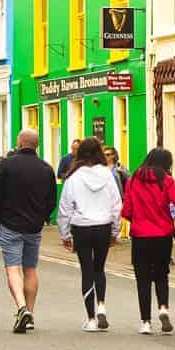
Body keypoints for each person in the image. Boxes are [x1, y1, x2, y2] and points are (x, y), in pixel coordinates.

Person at [0, 128, 57, 333]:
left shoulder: (7, 165)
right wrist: (42, 217)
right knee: (30, 269)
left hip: (10, 224)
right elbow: (51, 199)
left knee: (13, 269)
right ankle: (30, 313)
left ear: (19, 143)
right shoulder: (46, 168)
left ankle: (21, 308)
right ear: (37, 145)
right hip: (33, 226)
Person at [123, 148, 175, 334]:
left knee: (142, 279)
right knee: (162, 275)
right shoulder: (166, 180)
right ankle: (163, 308)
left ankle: (145, 321)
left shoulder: (133, 180)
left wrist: (138, 221)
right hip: (162, 235)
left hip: (140, 236)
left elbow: (126, 210)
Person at [58, 137, 122, 330]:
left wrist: (65, 234)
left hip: (81, 227)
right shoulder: (107, 174)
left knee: (87, 270)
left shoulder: (73, 177)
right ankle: (101, 305)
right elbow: (116, 205)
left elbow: (65, 208)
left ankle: (91, 319)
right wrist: (115, 231)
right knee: (99, 269)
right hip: (103, 225)